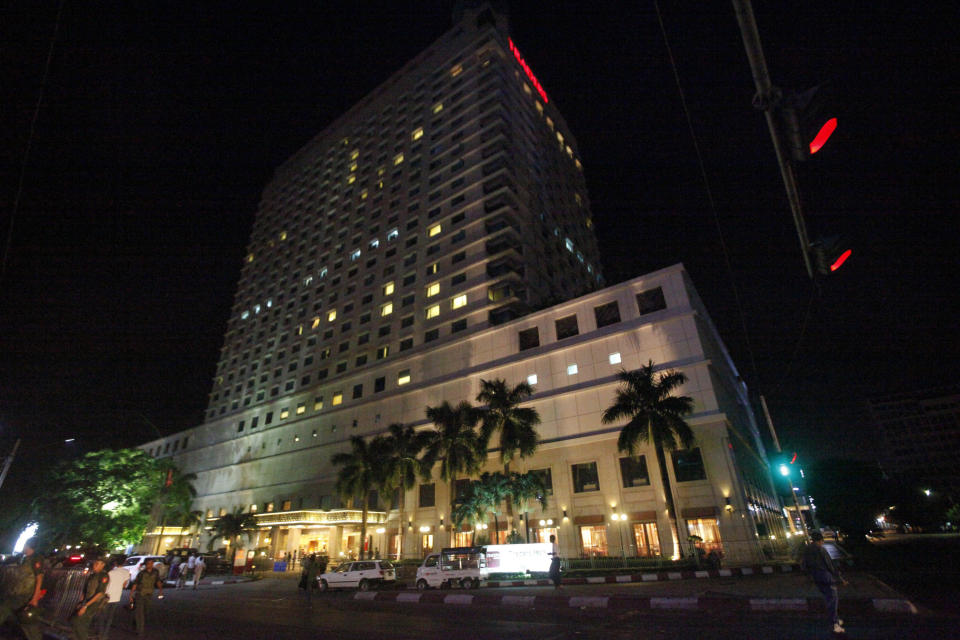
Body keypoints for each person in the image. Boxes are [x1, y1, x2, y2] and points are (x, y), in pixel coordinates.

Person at [801, 530, 848, 634]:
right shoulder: (821, 550)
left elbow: (804, 565)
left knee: (828, 599)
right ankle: (835, 624)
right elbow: (830, 565)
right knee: (833, 600)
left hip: (816, 578)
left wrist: (809, 577)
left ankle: (835, 619)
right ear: (821, 540)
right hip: (826, 577)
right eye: (822, 541)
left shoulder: (807, 550)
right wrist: (841, 579)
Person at [0, 537, 44, 640]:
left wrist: (34, 598)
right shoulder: (23, 558)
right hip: (15, 595)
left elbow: (39, 578)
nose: (23, 547)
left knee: (28, 623)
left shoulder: (36, 559)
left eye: (25, 545)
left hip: (25, 596)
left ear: (28, 546)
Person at [71, 556, 109, 640]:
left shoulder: (103, 576)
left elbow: (99, 593)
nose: (94, 566)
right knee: (75, 620)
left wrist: (85, 606)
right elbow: (85, 590)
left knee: (79, 622)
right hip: (86, 601)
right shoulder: (92, 575)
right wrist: (81, 603)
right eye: (94, 563)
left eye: (97, 564)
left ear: (103, 565)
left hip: (94, 603)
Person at [129, 557, 163, 636]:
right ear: (145, 564)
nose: (150, 565)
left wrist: (160, 591)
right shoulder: (142, 573)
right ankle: (140, 630)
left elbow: (158, 581)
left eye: (151, 563)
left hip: (149, 594)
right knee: (139, 613)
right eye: (148, 563)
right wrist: (131, 595)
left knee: (145, 612)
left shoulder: (155, 572)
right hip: (140, 594)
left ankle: (136, 623)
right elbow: (135, 584)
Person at [99, 559, 130, 639]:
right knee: (110, 617)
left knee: (103, 616)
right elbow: (124, 585)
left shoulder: (110, 573)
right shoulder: (126, 572)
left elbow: (104, 584)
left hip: (107, 596)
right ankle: (105, 634)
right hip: (116, 596)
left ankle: (101, 633)